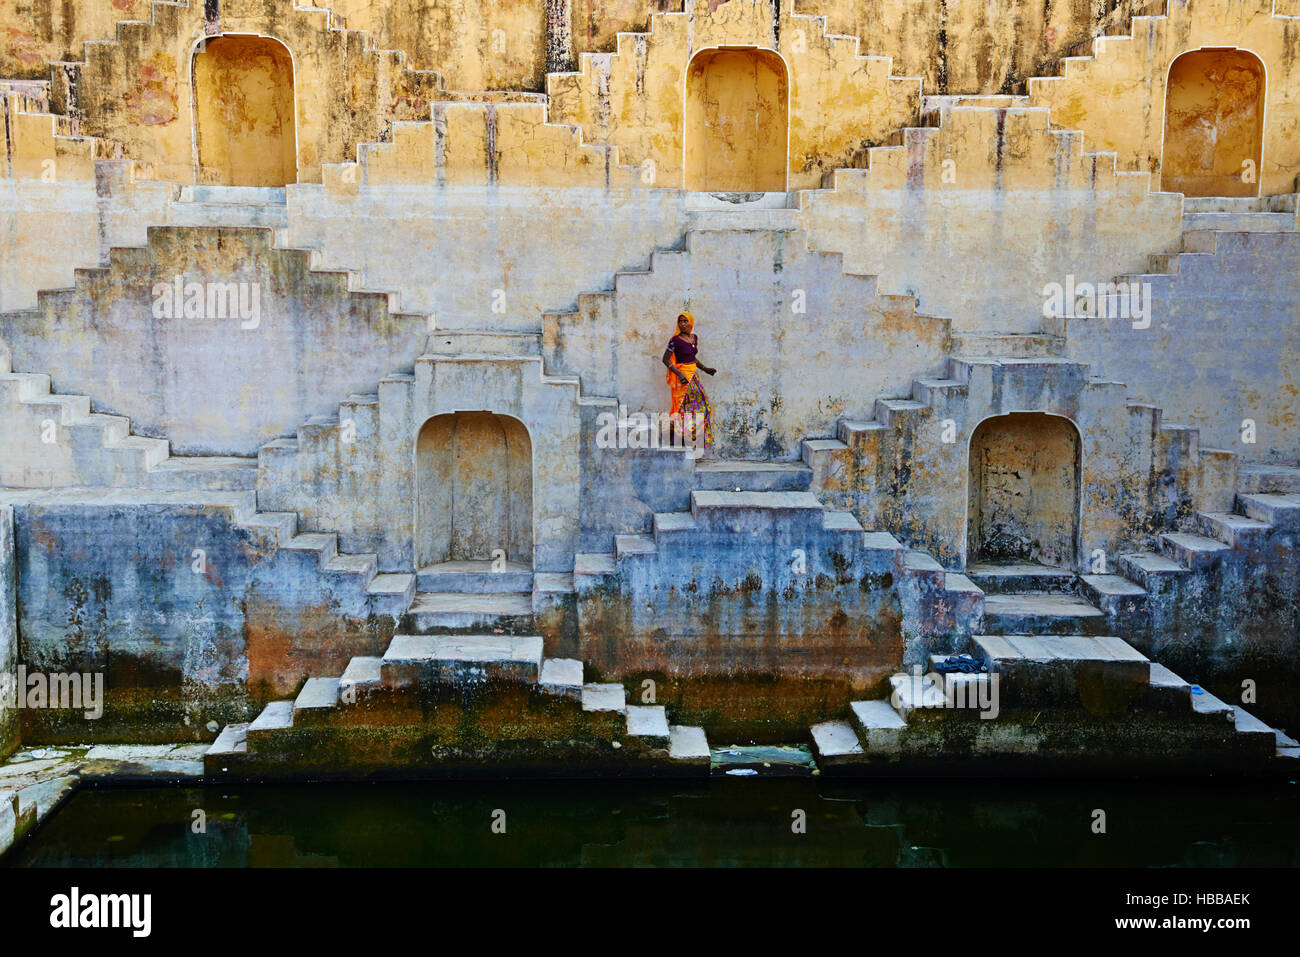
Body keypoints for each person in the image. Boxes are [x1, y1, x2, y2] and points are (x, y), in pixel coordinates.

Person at [661, 311, 716, 448]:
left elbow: (692, 358)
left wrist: (705, 369)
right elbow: (665, 359)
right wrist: (679, 374)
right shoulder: (675, 340)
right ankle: (680, 443)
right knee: (683, 409)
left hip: (694, 377)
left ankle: (691, 441)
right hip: (683, 380)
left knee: (704, 407)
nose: (682, 324)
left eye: (685, 321)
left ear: (690, 322)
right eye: (680, 321)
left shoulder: (694, 338)